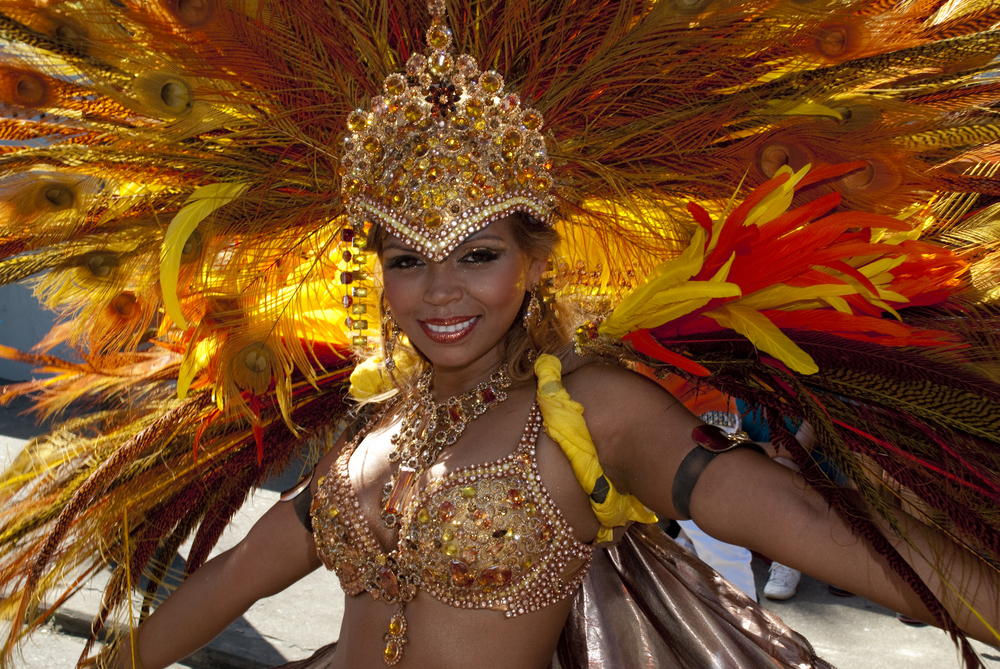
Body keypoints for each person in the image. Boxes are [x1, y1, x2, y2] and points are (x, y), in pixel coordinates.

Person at [1, 2, 1000, 669]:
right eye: (406, 259)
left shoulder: (590, 411)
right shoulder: (369, 437)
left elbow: (781, 515)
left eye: (476, 256)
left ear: (533, 263)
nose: (440, 291)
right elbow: (229, 578)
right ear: (373, 273)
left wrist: (973, 594)